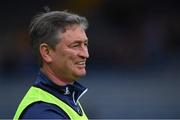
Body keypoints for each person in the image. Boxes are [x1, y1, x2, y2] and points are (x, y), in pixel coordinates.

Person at [13, 10, 89, 119]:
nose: (85, 54)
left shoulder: (64, 98)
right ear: (46, 52)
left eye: (85, 44)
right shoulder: (42, 112)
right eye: (75, 45)